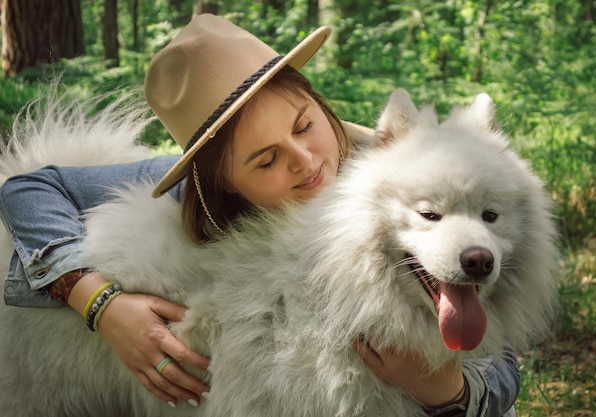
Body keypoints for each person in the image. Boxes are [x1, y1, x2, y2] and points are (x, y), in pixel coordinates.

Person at [0, 14, 519, 416]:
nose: (305, 160)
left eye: (303, 124)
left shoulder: (398, 167)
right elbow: (29, 188)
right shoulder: (195, 191)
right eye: (265, 160)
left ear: (319, 104)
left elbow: (504, 366)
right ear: (220, 181)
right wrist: (102, 305)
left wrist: (444, 388)